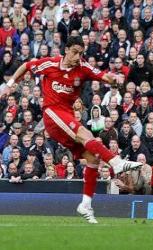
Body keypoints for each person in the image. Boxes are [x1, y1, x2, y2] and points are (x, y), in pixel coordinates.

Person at [0, 36, 142, 224]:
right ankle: (115, 162)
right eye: (75, 52)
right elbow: (27, 66)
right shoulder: (49, 64)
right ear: (66, 50)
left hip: (66, 116)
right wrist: (10, 85)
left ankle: (85, 204)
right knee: (86, 135)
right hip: (52, 114)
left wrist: (113, 80)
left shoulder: (82, 67)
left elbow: (102, 75)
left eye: (81, 53)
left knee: (92, 157)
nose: (78, 56)